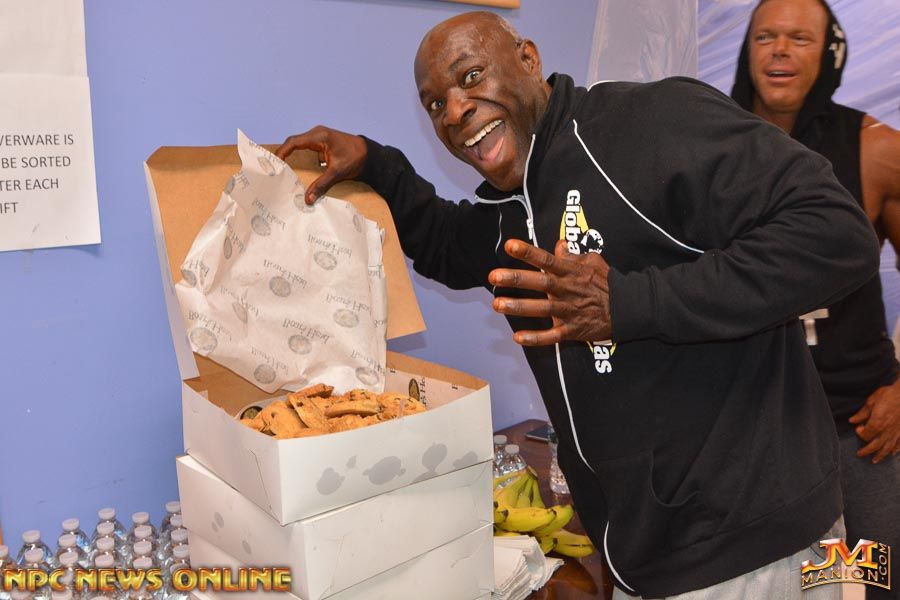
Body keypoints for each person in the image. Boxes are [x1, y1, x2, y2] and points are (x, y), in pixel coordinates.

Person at [277, 12, 881, 599]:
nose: (455, 112)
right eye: (435, 104)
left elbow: (835, 233)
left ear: (528, 59)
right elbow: (445, 242)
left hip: (753, 551)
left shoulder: (651, 121)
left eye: (470, 77)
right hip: (642, 560)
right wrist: (375, 162)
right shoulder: (514, 204)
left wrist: (629, 302)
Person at [732, 1, 900, 597]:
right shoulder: (707, 145)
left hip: (857, 429)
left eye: (799, 38)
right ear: (747, 50)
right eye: (765, 37)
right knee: (785, 589)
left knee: (873, 581)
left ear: (830, 52)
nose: (779, 50)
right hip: (747, 432)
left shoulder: (874, 148)